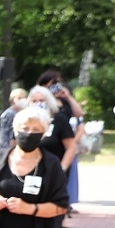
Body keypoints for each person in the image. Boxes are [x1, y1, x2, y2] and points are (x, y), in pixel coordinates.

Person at [36, 70, 84, 204]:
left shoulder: (63, 101)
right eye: (53, 83)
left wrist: (67, 96)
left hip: (65, 138)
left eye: (58, 82)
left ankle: (63, 201)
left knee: (64, 175)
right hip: (48, 139)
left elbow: (79, 113)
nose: (56, 85)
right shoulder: (40, 101)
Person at [27, 85, 76, 179]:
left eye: (41, 100)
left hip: (53, 172)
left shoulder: (59, 119)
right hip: (29, 172)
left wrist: (61, 169)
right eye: (34, 101)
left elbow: (71, 148)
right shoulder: (25, 121)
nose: (38, 104)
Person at [0, 88, 27, 153]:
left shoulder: (23, 113)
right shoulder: (9, 114)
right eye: (19, 98)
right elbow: (5, 133)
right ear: (13, 100)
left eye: (23, 98)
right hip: (8, 147)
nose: (22, 100)